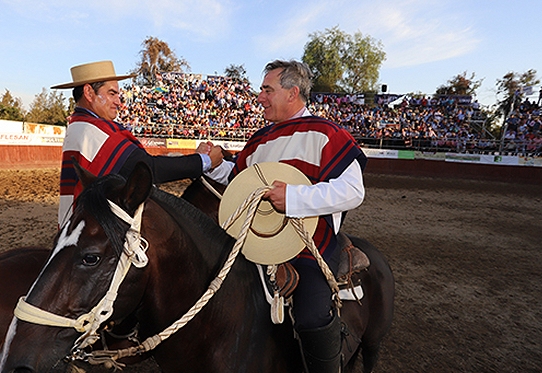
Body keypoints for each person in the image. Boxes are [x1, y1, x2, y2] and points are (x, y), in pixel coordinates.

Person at [203, 60, 367, 373]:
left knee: (311, 314)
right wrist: (214, 163)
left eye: (268, 89)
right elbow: (239, 180)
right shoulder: (259, 139)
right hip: (253, 242)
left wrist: (293, 198)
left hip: (307, 247)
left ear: (292, 93)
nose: (260, 96)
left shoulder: (327, 134)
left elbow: (352, 191)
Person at [52, 60, 223, 227]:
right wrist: (205, 161)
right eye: (112, 94)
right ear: (89, 93)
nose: (118, 102)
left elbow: (139, 162)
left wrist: (196, 157)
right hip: (92, 231)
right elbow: (147, 167)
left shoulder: (82, 125)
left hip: (81, 225)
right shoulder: (92, 130)